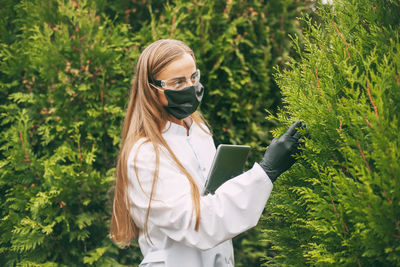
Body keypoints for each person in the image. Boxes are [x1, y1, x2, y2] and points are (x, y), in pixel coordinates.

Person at [110, 39, 306, 267]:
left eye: (193, 77)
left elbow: (214, 201)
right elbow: (199, 224)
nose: (190, 87)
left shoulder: (199, 131)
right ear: (152, 89)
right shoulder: (145, 154)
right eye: (177, 82)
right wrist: (265, 172)